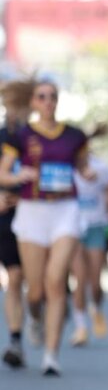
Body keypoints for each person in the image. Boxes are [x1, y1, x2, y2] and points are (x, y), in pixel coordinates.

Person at [0, 78, 91, 376]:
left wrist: (90, 175)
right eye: (42, 96)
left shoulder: (74, 135)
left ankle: (51, 355)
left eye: (53, 96)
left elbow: (82, 166)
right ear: (33, 102)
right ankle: (34, 318)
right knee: (35, 290)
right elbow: (3, 174)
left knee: (56, 281)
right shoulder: (21, 136)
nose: (48, 101)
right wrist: (18, 176)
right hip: (32, 212)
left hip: (65, 210)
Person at [0, 79, 33, 369]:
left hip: (32, 217)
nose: (15, 110)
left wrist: (25, 199)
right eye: (11, 104)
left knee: (31, 283)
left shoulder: (36, 140)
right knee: (14, 278)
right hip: (4, 218)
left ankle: (37, 315)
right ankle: (15, 339)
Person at [71, 131, 108, 346]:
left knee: (95, 283)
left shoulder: (102, 167)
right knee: (80, 279)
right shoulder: (68, 167)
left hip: (97, 227)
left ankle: (96, 308)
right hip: (74, 229)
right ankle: (80, 327)